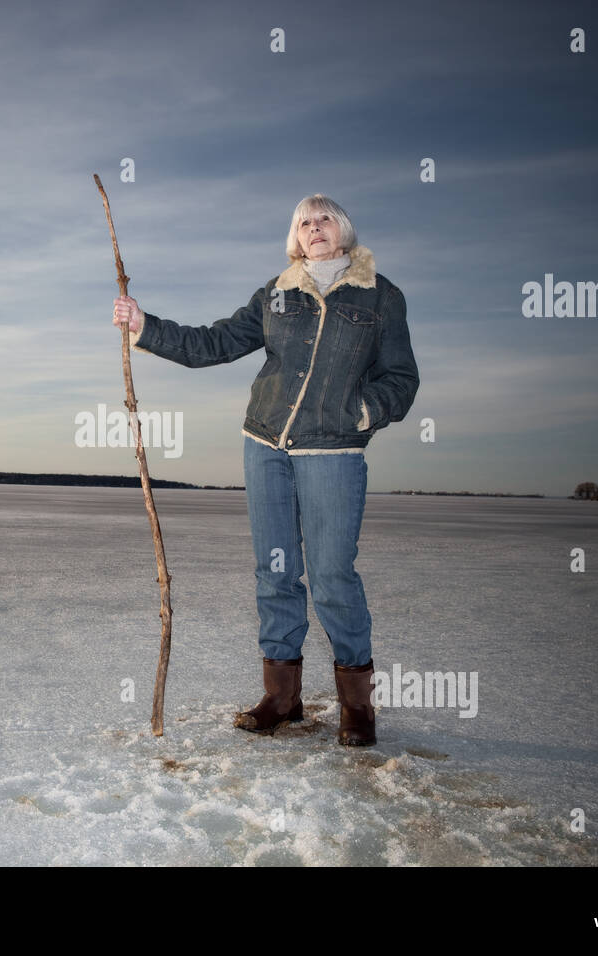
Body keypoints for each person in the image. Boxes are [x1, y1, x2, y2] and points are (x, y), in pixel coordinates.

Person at [111, 194, 419, 746]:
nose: (314, 227)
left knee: (331, 576)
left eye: (324, 219)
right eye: (304, 222)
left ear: (343, 229)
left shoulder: (381, 297)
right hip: (266, 445)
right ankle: (283, 697)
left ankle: (358, 707)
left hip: (333, 452)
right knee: (275, 572)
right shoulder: (276, 295)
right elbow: (217, 342)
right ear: (294, 238)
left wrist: (364, 412)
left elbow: (401, 377)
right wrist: (145, 326)